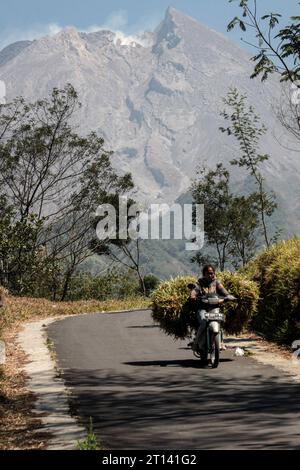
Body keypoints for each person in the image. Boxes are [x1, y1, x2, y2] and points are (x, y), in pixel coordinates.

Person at [189, 264, 229, 352]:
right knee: (203, 322)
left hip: (214, 307)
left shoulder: (217, 283)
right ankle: (196, 342)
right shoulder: (199, 283)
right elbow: (195, 290)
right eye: (208, 273)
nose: (211, 275)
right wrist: (193, 295)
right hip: (202, 308)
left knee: (220, 320)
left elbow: (224, 292)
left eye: (212, 273)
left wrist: (229, 297)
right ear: (204, 274)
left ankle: (220, 341)